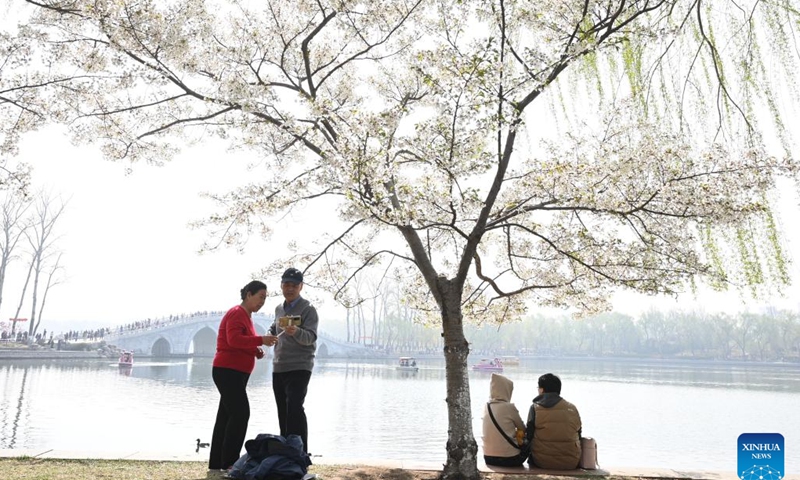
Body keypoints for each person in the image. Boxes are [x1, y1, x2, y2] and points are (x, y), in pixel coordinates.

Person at [209, 280, 272, 472]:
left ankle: (217, 463)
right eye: (260, 297)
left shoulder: (247, 317)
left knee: (226, 416)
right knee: (240, 414)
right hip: (228, 372)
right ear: (248, 294)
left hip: (236, 373)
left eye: (265, 299)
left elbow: (241, 341)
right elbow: (233, 340)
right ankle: (230, 463)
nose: (262, 302)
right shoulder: (237, 312)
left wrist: (255, 350)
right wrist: (261, 339)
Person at [263, 267, 319, 454]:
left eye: (294, 285)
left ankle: (300, 453)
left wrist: (296, 332)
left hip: (300, 366)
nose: (290, 288)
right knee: (282, 410)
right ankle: (286, 451)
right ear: (281, 286)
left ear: (301, 287)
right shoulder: (279, 308)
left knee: (295, 407)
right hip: (279, 366)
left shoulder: (309, 310)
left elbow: (311, 337)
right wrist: (269, 335)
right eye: (286, 284)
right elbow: (274, 326)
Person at [525, 373, 582, 470]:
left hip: (541, 461)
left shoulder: (535, 408)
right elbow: (579, 434)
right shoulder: (572, 408)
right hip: (571, 462)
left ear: (542, 390)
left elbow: (529, 435)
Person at [481, 373, 528, 467]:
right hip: (510, 459)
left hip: (488, 458)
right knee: (528, 441)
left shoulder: (486, 407)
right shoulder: (509, 407)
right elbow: (522, 427)